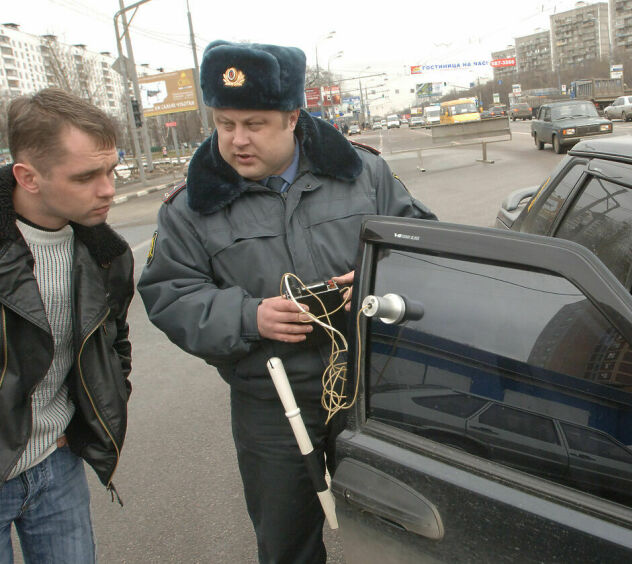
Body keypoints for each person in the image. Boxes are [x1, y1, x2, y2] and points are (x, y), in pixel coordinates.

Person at [137, 41, 435, 563]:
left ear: (292, 117)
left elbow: (424, 247)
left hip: (373, 389)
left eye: (254, 123)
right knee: (286, 541)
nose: (236, 140)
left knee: (401, 534)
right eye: (224, 123)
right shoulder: (189, 208)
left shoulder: (363, 175)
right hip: (272, 404)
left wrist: (371, 281)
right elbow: (169, 294)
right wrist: (248, 316)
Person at [0, 88, 135, 563]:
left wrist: (78, 426)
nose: (108, 189)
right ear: (28, 177)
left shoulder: (107, 255)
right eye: (86, 176)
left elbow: (115, 347)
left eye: (111, 170)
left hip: (56, 466)